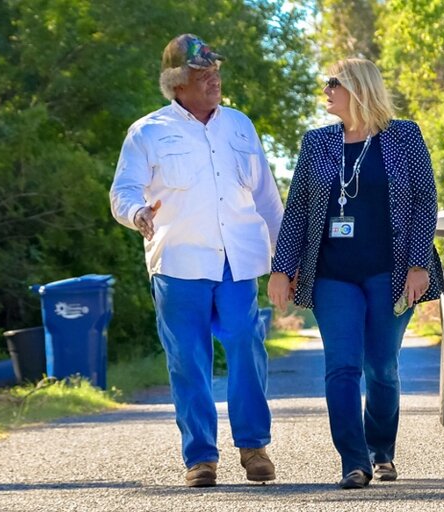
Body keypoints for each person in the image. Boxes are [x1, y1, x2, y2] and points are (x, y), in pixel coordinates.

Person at [109, 34, 283, 488]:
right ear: (176, 83)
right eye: (202, 74)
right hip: (178, 264)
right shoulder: (147, 131)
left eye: (216, 72)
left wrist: (286, 258)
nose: (214, 81)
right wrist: (137, 213)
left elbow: (267, 197)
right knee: (187, 360)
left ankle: (253, 446)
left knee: (246, 345)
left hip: (237, 262)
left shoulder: (240, 126)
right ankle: (201, 458)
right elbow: (123, 191)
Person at [268, 58, 443, 489]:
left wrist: (419, 264)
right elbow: (297, 212)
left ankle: (381, 448)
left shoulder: (404, 136)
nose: (326, 91)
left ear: (359, 88)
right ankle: (354, 459)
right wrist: (281, 269)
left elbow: (425, 202)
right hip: (332, 276)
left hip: (392, 272)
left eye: (334, 83)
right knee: (342, 367)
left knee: (381, 367)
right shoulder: (316, 143)